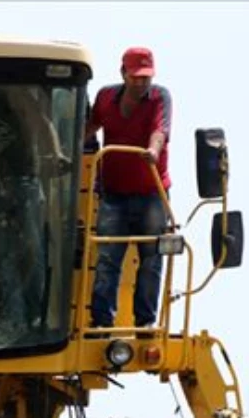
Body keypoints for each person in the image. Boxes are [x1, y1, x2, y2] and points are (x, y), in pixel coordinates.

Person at [84, 46, 173, 330]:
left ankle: (145, 322)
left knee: (151, 259)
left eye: (146, 77)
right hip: (113, 194)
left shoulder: (160, 96)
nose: (141, 82)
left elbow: (161, 130)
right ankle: (101, 323)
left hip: (152, 195)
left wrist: (153, 150)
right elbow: (90, 126)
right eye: (135, 77)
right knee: (108, 258)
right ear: (123, 73)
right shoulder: (106, 97)